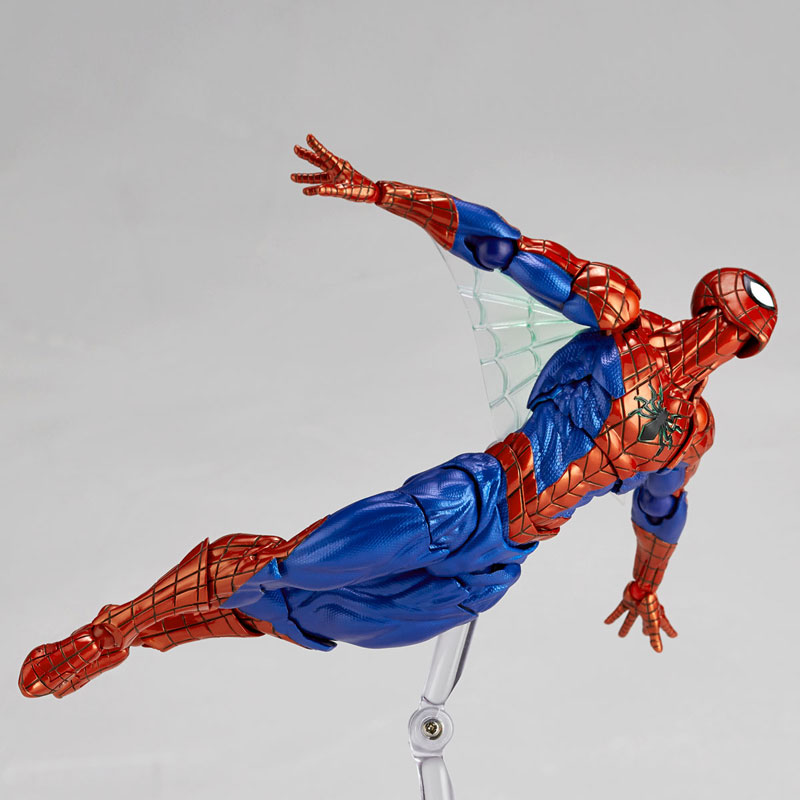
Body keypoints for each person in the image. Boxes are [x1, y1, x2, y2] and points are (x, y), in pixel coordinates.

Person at [19, 135, 778, 699]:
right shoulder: (620, 318)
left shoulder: (690, 432)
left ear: (744, 350)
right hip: (472, 498)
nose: (721, 336)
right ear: (702, 301)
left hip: (497, 564)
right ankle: (114, 629)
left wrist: (646, 585)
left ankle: (163, 627)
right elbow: (502, 246)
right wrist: (384, 193)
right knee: (297, 562)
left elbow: (662, 508)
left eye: (738, 335)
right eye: (721, 316)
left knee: (314, 614)